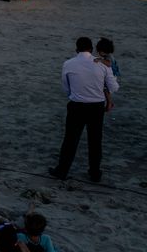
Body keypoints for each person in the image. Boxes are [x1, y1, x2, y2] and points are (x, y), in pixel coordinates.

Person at [49, 37, 119, 182]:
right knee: (95, 140)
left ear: (77, 49)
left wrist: (75, 95)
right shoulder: (102, 64)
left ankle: (62, 171)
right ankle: (94, 173)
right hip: (96, 107)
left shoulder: (68, 64)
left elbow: (65, 87)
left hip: (77, 105)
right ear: (91, 49)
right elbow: (114, 87)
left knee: (70, 139)